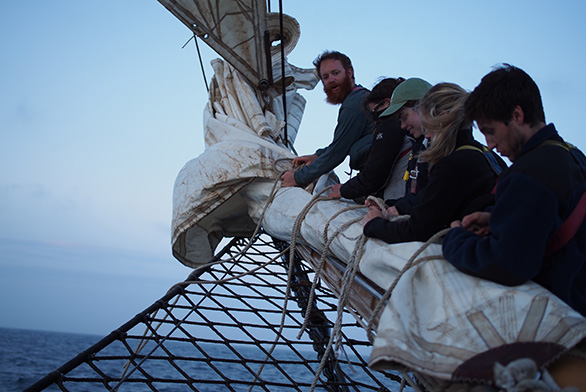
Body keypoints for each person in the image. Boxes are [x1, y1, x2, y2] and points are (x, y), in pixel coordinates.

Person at [442, 64, 586, 316]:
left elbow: (506, 263)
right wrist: (498, 218)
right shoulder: (572, 155)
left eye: (491, 130)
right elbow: (556, 214)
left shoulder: (527, 174)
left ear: (517, 115)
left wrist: (454, 238)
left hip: (566, 315)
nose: (490, 143)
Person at [362, 82, 506, 244]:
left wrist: (373, 224)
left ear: (442, 117)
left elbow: (417, 230)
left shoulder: (453, 165)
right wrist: (393, 206)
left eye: (426, 118)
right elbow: (431, 200)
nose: (426, 134)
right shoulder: (481, 154)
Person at [280, 51, 374, 188]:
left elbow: (338, 152)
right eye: (325, 77)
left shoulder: (353, 104)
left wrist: (298, 177)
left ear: (350, 72)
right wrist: (318, 156)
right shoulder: (362, 97)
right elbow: (342, 142)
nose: (331, 80)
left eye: (336, 73)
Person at [328, 77, 413, 202]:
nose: (375, 118)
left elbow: (374, 175)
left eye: (374, 110)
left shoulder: (390, 123)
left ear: (387, 102)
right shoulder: (413, 129)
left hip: (398, 203)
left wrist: (343, 190)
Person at [377, 77, 431, 216]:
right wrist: (390, 205)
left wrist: (399, 209)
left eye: (403, 116)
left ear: (423, 107)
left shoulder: (447, 150)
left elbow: (436, 197)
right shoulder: (420, 147)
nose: (402, 126)